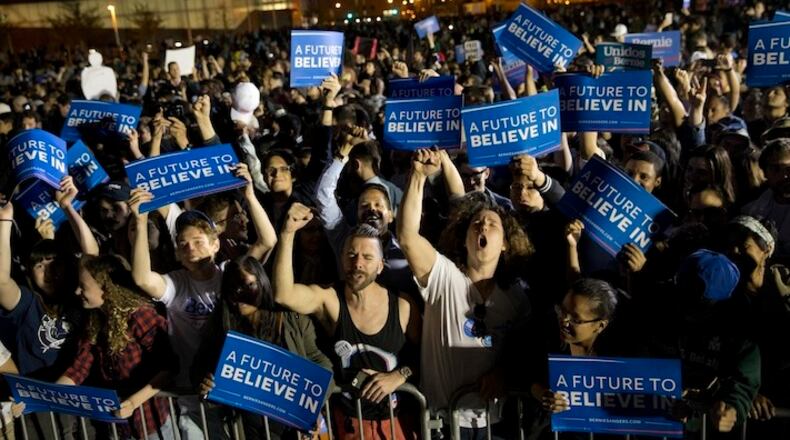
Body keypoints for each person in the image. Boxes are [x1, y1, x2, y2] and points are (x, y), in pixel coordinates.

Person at [129, 162, 275, 438]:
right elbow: (142, 279)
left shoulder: (230, 274)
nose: (190, 248)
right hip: (192, 391)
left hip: (236, 387)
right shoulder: (176, 283)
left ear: (216, 244)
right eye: (183, 244)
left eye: (197, 241)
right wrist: (139, 220)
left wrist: (250, 196)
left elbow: (267, 240)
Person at [397, 149, 532, 438]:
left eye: (492, 224)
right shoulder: (443, 275)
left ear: (506, 244)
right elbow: (407, 236)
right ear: (464, 239)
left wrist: (504, 373)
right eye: (476, 223)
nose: (483, 225)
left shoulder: (516, 297)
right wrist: (418, 176)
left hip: (491, 423)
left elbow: (524, 349)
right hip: (443, 423)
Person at [274, 203, 421, 440]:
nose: (358, 263)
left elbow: (426, 354)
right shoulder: (330, 299)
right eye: (351, 255)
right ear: (341, 259)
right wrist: (287, 234)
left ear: (381, 265)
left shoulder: (403, 306)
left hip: (395, 424)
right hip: (347, 425)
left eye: (367, 257)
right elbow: (283, 295)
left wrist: (399, 375)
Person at [194, 256, 332, 439]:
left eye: (247, 285)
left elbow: (322, 365)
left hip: (296, 430)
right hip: (250, 430)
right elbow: (198, 369)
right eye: (232, 287)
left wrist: (313, 408)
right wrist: (205, 382)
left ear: (263, 283)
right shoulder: (220, 325)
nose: (238, 292)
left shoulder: (292, 320)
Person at [0, 177, 96, 440]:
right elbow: (0, 280)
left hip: (81, 400)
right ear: (30, 272)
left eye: (54, 262)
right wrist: (5, 220)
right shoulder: (26, 302)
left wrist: (68, 208)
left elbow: (94, 259)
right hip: (38, 408)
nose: (49, 271)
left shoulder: (81, 296)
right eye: (40, 265)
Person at [57, 255, 178, 440]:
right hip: (117, 426)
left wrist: (132, 402)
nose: (77, 291)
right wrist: (48, 394)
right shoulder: (95, 320)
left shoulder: (140, 316)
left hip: (150, 424)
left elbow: (169, 367)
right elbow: (80, 367)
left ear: (107, 288)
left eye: (84, 286)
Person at [522, 279, 620, 440]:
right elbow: (523, 374)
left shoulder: (621, 353)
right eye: (561, 311)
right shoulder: (545, 339)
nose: (564, 321)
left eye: (575, 319)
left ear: (600, 325)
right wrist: (542, 394)